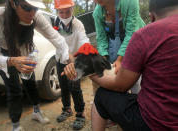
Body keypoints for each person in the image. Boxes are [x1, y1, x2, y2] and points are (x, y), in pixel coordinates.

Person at [62, 0, 178, 130]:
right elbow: (101, 38)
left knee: (129, 86)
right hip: (120, 46)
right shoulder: (97, 13)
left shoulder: (140, 24)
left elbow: (121, 85)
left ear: (151, 17)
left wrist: (90, 71)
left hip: (135, 45)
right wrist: (104, 62)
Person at [0, 0, 70, 131]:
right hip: (5, 56)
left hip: (25, 51)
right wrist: (12, 61)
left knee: (31, 83)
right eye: (26, 8)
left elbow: (57, 38)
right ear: (13, 3)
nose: (32, 13)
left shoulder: (35, 16)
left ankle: (37, 112)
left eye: (35, 8)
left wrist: (66, 60)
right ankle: (16, 126)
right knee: (14, 90)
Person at [53, 0, 90, 130]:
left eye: (67, 11)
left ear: (72, 9)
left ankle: (80, 113)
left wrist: (84, 50)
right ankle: (67, 109)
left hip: (75, 61)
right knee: (63, 86)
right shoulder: (55, 23)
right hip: (60, 60)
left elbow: (83, 40)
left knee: (75, 87)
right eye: (61, 12)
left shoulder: (78, 24)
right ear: (57, 11)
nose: (64, 15)